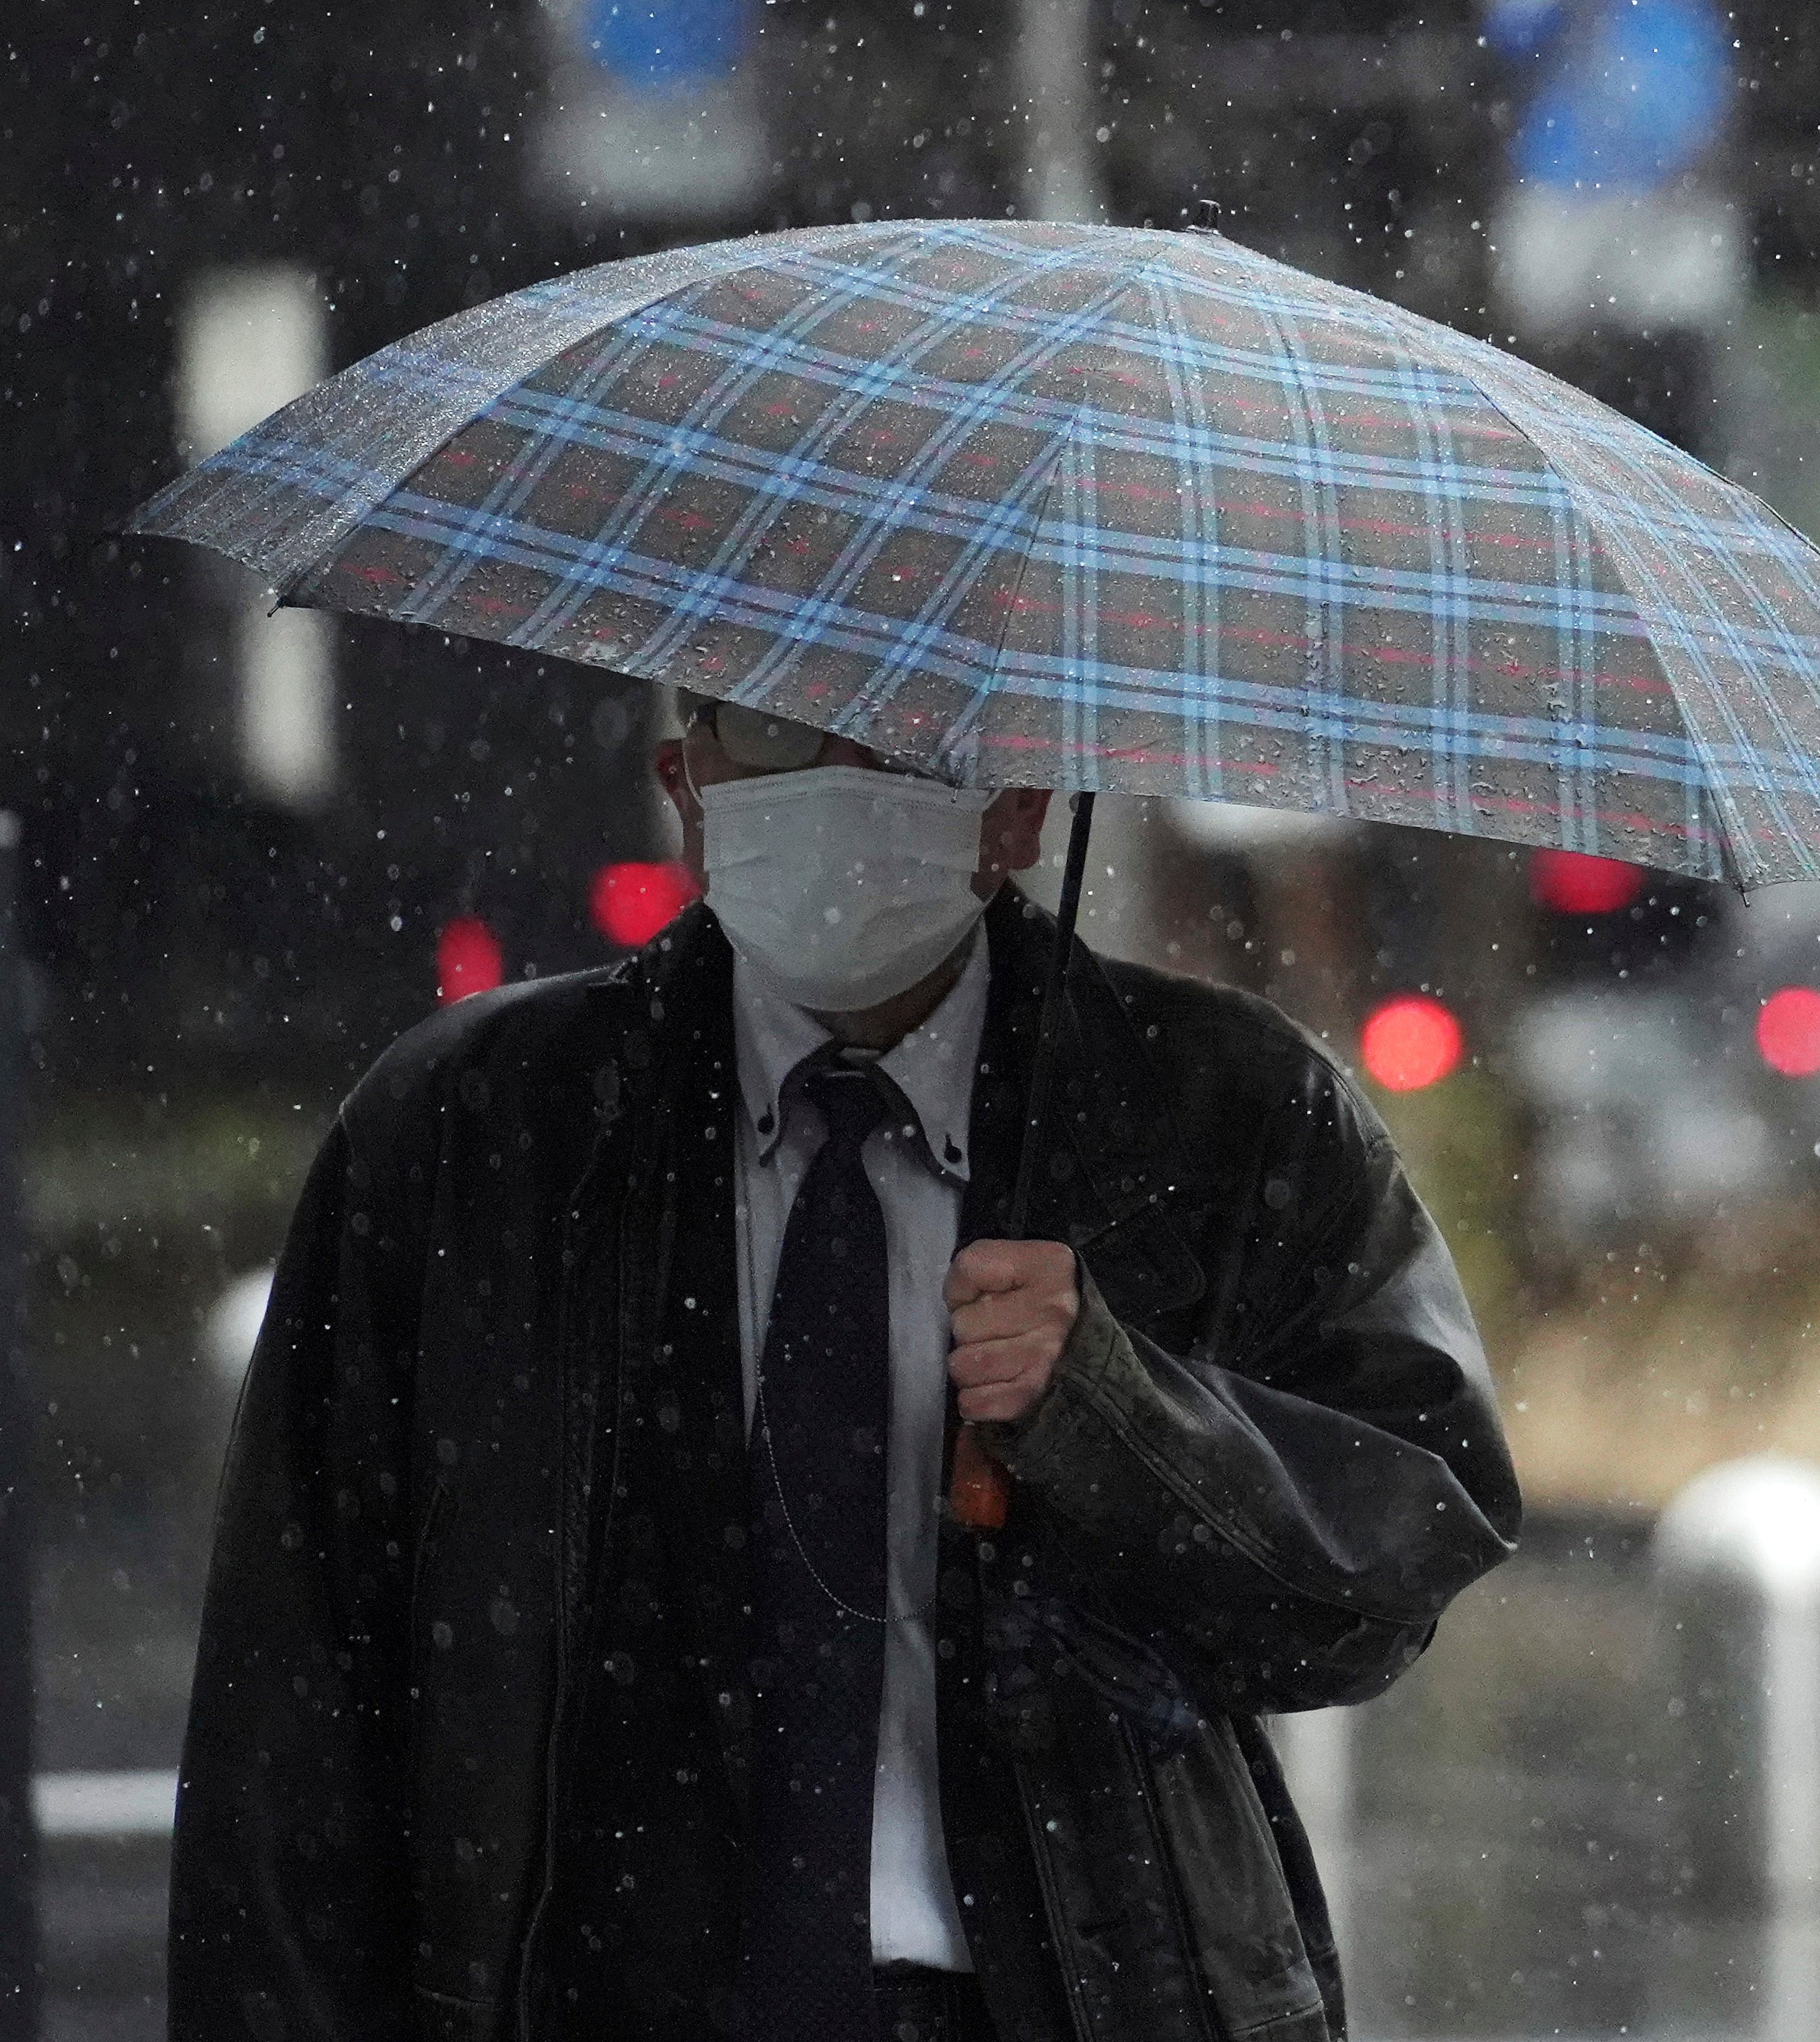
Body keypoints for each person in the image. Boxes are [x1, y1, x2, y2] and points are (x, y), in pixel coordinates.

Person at [172, 698, 1519, 2042]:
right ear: (682, 779)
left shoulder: (1217, 1118)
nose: (836, 775)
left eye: (907, 733)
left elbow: (1389, 1567)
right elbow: (291, 1712)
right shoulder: (482, 1132)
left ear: (1020, 806)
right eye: (770, 723)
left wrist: (1120, 1411)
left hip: (1084, 2001)